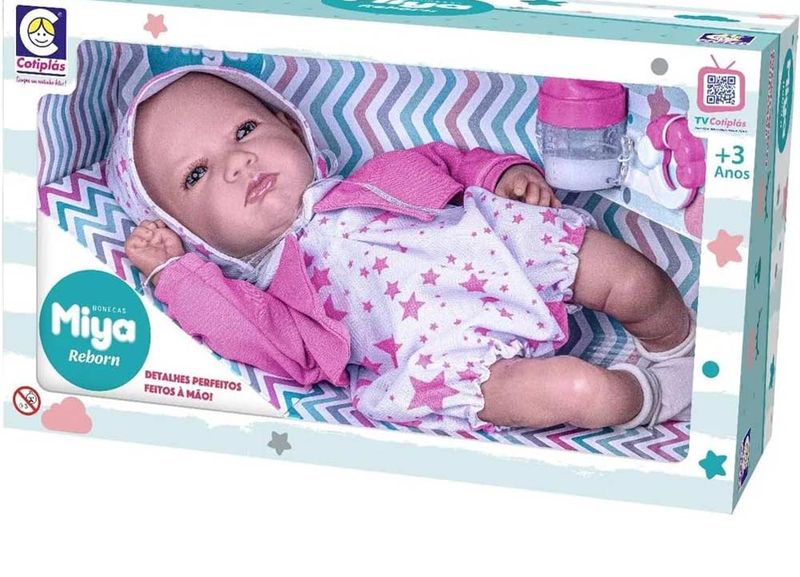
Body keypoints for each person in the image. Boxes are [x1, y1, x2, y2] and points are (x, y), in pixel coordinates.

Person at [108, 65, 694, 435]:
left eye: (244, 131)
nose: (238, 162)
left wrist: (503, 175)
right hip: (442, 353)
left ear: (288, 124)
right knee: (583, 391)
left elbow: (449, 163)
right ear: (189, 233)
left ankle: (683, 347)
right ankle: (658, 397)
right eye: (197, 175)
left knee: (635, 281)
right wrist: (174, 273)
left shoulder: (379, 176)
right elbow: (241, 330)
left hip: (501, 250)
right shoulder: (282, 302)